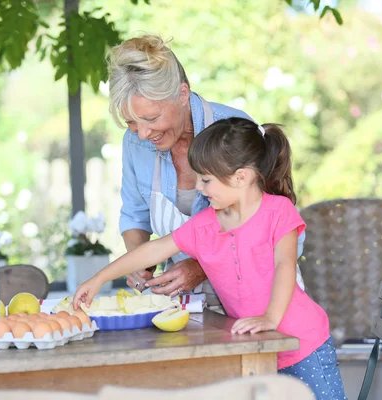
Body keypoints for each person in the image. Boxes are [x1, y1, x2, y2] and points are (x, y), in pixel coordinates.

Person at [73, 117, 346, 400]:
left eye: (206, 180)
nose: (200, 188)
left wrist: (269, 317)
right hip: (257, 347)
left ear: (240, 177)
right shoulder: (205, 224)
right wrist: (99, 278)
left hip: (304, 344)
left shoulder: (279, 211)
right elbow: (154, 249)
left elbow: (284, 265)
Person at [107, 34, 306, 303]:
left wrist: (201, 268)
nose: (141, 133)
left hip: (264, 303)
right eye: (131, 122)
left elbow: (272, 230)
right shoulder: (135, 143)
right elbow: (134, 215)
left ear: (182, 94)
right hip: (188, 306)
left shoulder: (231, 130)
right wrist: (140, 262)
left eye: (151, 118)